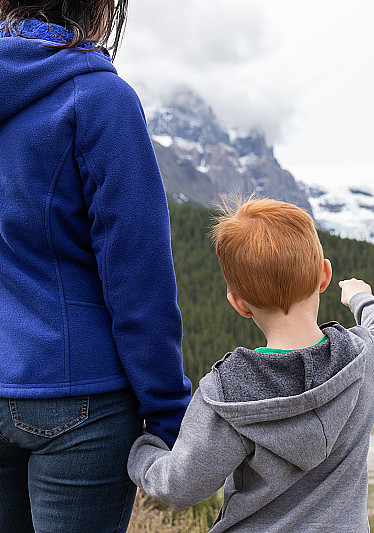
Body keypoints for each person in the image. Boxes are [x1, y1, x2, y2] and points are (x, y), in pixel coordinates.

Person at [0, 2, 192, 531]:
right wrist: (171, 411)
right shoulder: (98, 98)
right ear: (102, 9)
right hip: (82, 398)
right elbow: (139, 277)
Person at [127, 197, 374, 532]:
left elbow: (181, 488)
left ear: (239, 303)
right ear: (325, 275)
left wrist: (144, 449)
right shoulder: (364, 357)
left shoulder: (227, 394)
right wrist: (360, 297)